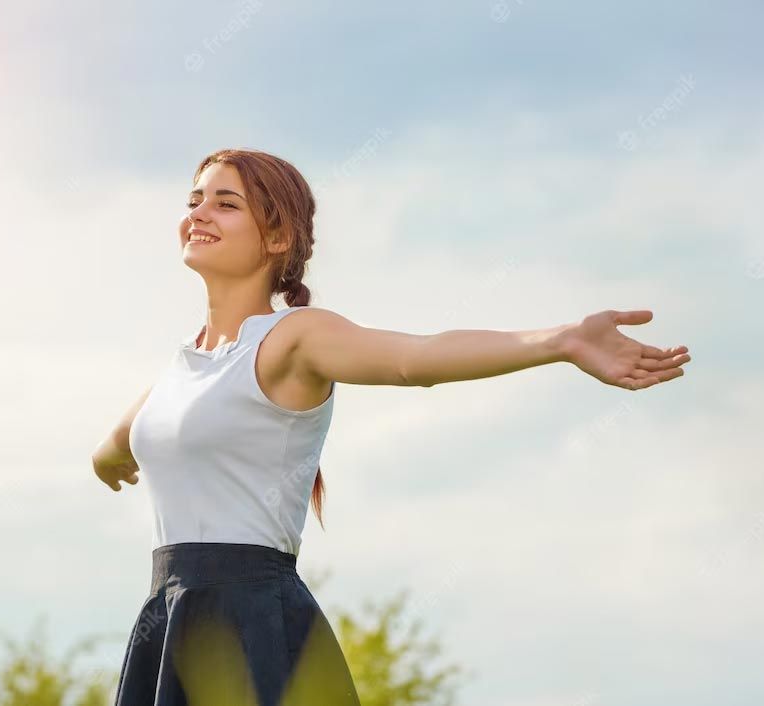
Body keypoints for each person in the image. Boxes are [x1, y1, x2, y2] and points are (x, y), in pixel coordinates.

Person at [92, 148, 692, 706]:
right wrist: (110, 457)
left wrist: (559, 341)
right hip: (169, 620)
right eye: (194, 199)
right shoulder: (184, 366)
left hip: (254, 621)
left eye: (226, 202)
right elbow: (120, 442)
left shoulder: (292, 338)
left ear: (277, 236)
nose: (200, 213)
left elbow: (415, 359)